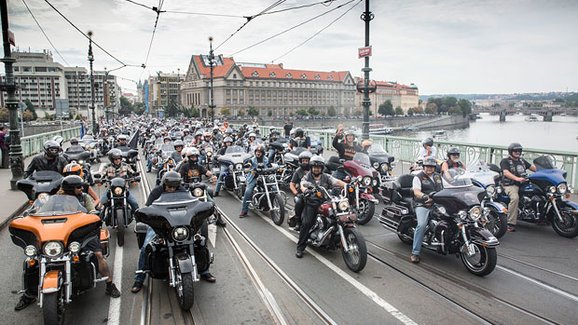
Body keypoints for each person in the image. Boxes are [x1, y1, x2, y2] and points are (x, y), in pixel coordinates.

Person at [15, 176, 120, 311]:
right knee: (32, 259)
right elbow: (40, 211)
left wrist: (94, 214)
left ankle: (109, 284)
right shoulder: (53, 198)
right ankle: (28, 294)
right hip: (59, 234)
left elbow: (92, 210)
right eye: (78, 187)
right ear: (70, 188)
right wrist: (31, 214)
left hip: (81, 232)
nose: (81, 189)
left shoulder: (84, 197)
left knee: (98, 255)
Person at [131, 172, 217, 293]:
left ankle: (204, 271)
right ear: (165, 184)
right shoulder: (157, 191)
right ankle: (139, 278)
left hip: (179, 224)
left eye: (174, 186)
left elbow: (194, 203)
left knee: (199, 241)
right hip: (161, 225)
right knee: (146, 247)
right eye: (169, 186)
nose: (172, 189)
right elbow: (148, 207)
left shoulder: (183, 191)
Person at [297, 156, 346, 258]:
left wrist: (347, 185)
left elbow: (336, 181)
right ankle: (300, 247)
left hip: (325, 201)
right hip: (311, 202)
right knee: (307, 223)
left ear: (322, 168)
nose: (316, 169)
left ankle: (333, 239)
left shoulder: (326, 177)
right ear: (311, 168)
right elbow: (302, 184)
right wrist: (305, 190)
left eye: (318, 167)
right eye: (314, 167)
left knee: (339, 216)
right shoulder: (307, 176)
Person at [410, 157, 444, 263]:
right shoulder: (418, 177)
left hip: (437, 203)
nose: (429, 168)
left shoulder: (438, 176)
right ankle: (415, 253)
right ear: (424, 166)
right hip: (422, 204)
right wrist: (424, 196)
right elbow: (416, 192)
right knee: (422, 224)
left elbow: (446, 188)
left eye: (431, 166)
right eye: (427, 166)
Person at [500, 143, 536, 232]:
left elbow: (534, 168)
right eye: (515, 151)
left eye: (519, 150)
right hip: (511, 184)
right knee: (515, 198)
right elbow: (506, 173)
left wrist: (546, 171)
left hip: (523, 183)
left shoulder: (522, 161)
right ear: (510, 151)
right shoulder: (505, 161)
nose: (517, 152)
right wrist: (517, 178)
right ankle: (510, 223)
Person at [239, 146, 269, 217]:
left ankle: (274, 204)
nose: (258, 153)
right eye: (257, 152)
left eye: (260, 152)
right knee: (248, 191)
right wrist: (247, 166)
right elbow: (249, 164)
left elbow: (269, 165)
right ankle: (244, 211)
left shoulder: (266, 159)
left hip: (264, 178)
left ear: (262, 153)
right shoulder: (252, 159)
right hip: (254, 178)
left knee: (273, 188)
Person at [288, 151, 312, 231]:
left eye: (306, 160)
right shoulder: (298, 171)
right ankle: (298, 222)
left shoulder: (313, 170)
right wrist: (295, 192)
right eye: (303, 161)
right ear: (300, 161)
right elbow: (292, 184)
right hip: (301, 193)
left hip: (314, 192)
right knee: (299, 203)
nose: (305, 162)